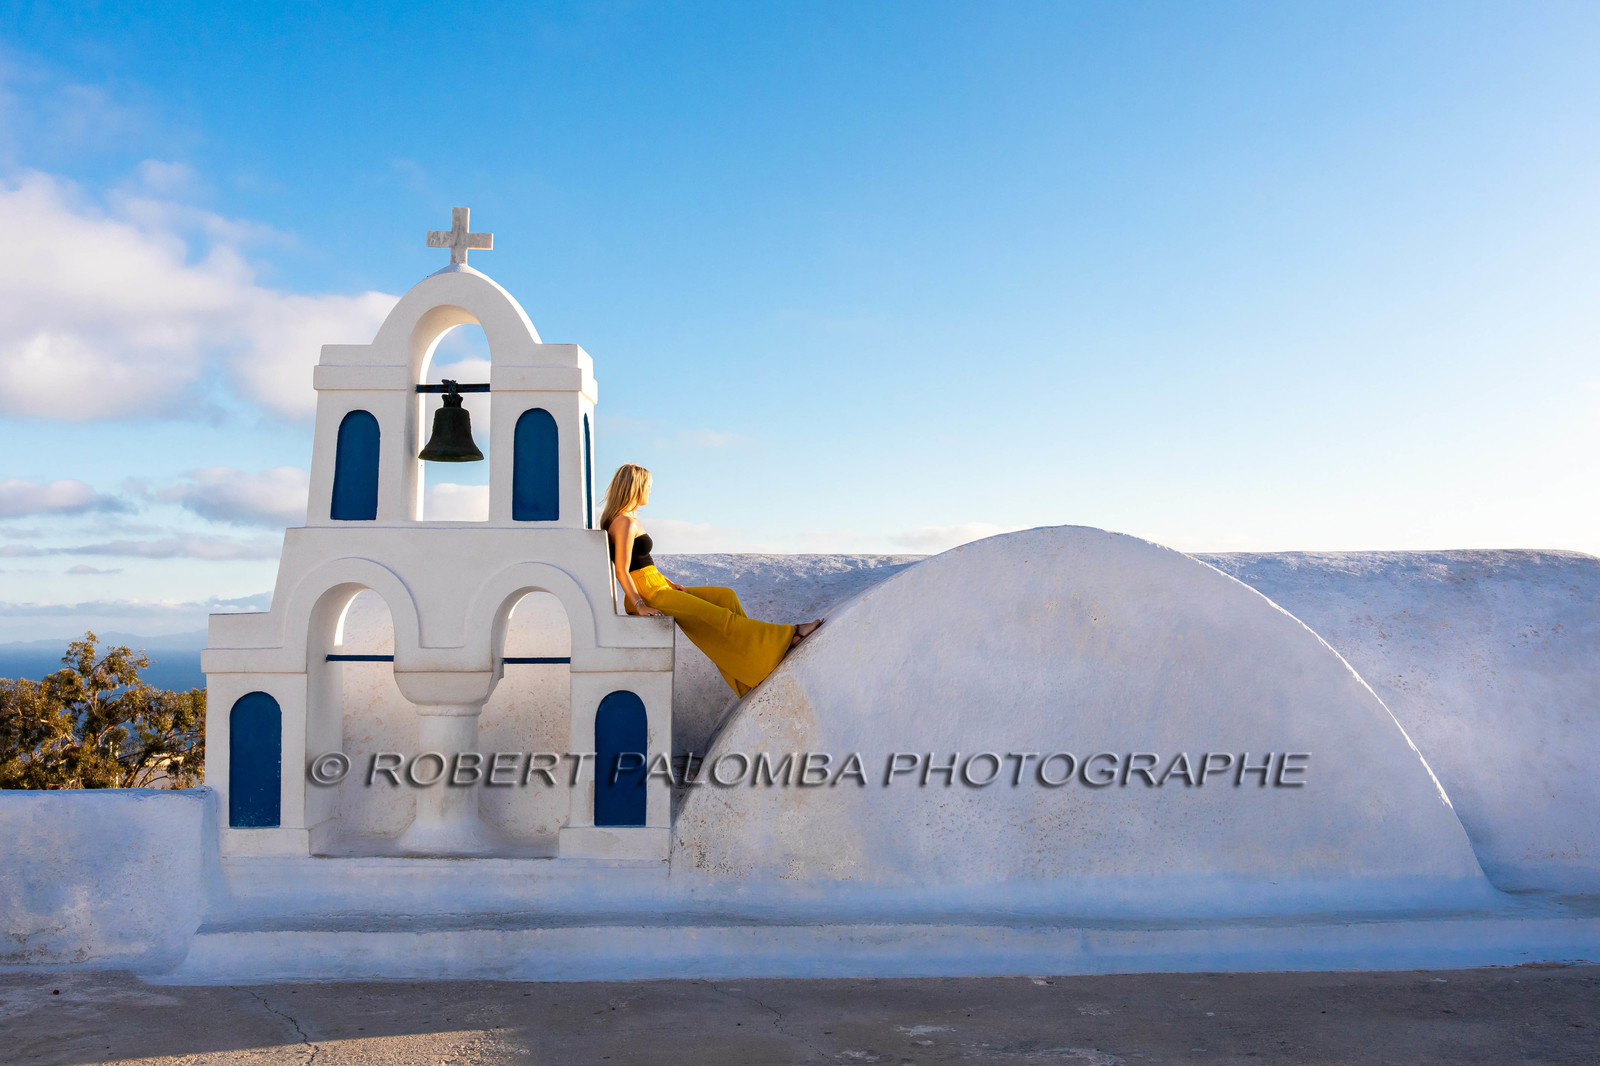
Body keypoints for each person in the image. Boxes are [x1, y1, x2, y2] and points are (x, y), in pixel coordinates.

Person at [602, 463, 822, 697]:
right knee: (719, 619)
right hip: (647, 593)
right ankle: (790, 635)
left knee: (725, 597)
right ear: (635, 487)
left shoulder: (629, 518)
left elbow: (642, 561)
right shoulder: (624, 522)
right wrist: (640, 605)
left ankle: (750, 668)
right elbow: (623, 571)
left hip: (657, 585)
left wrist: (667, 582)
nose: (649, 492)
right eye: (647, 487)